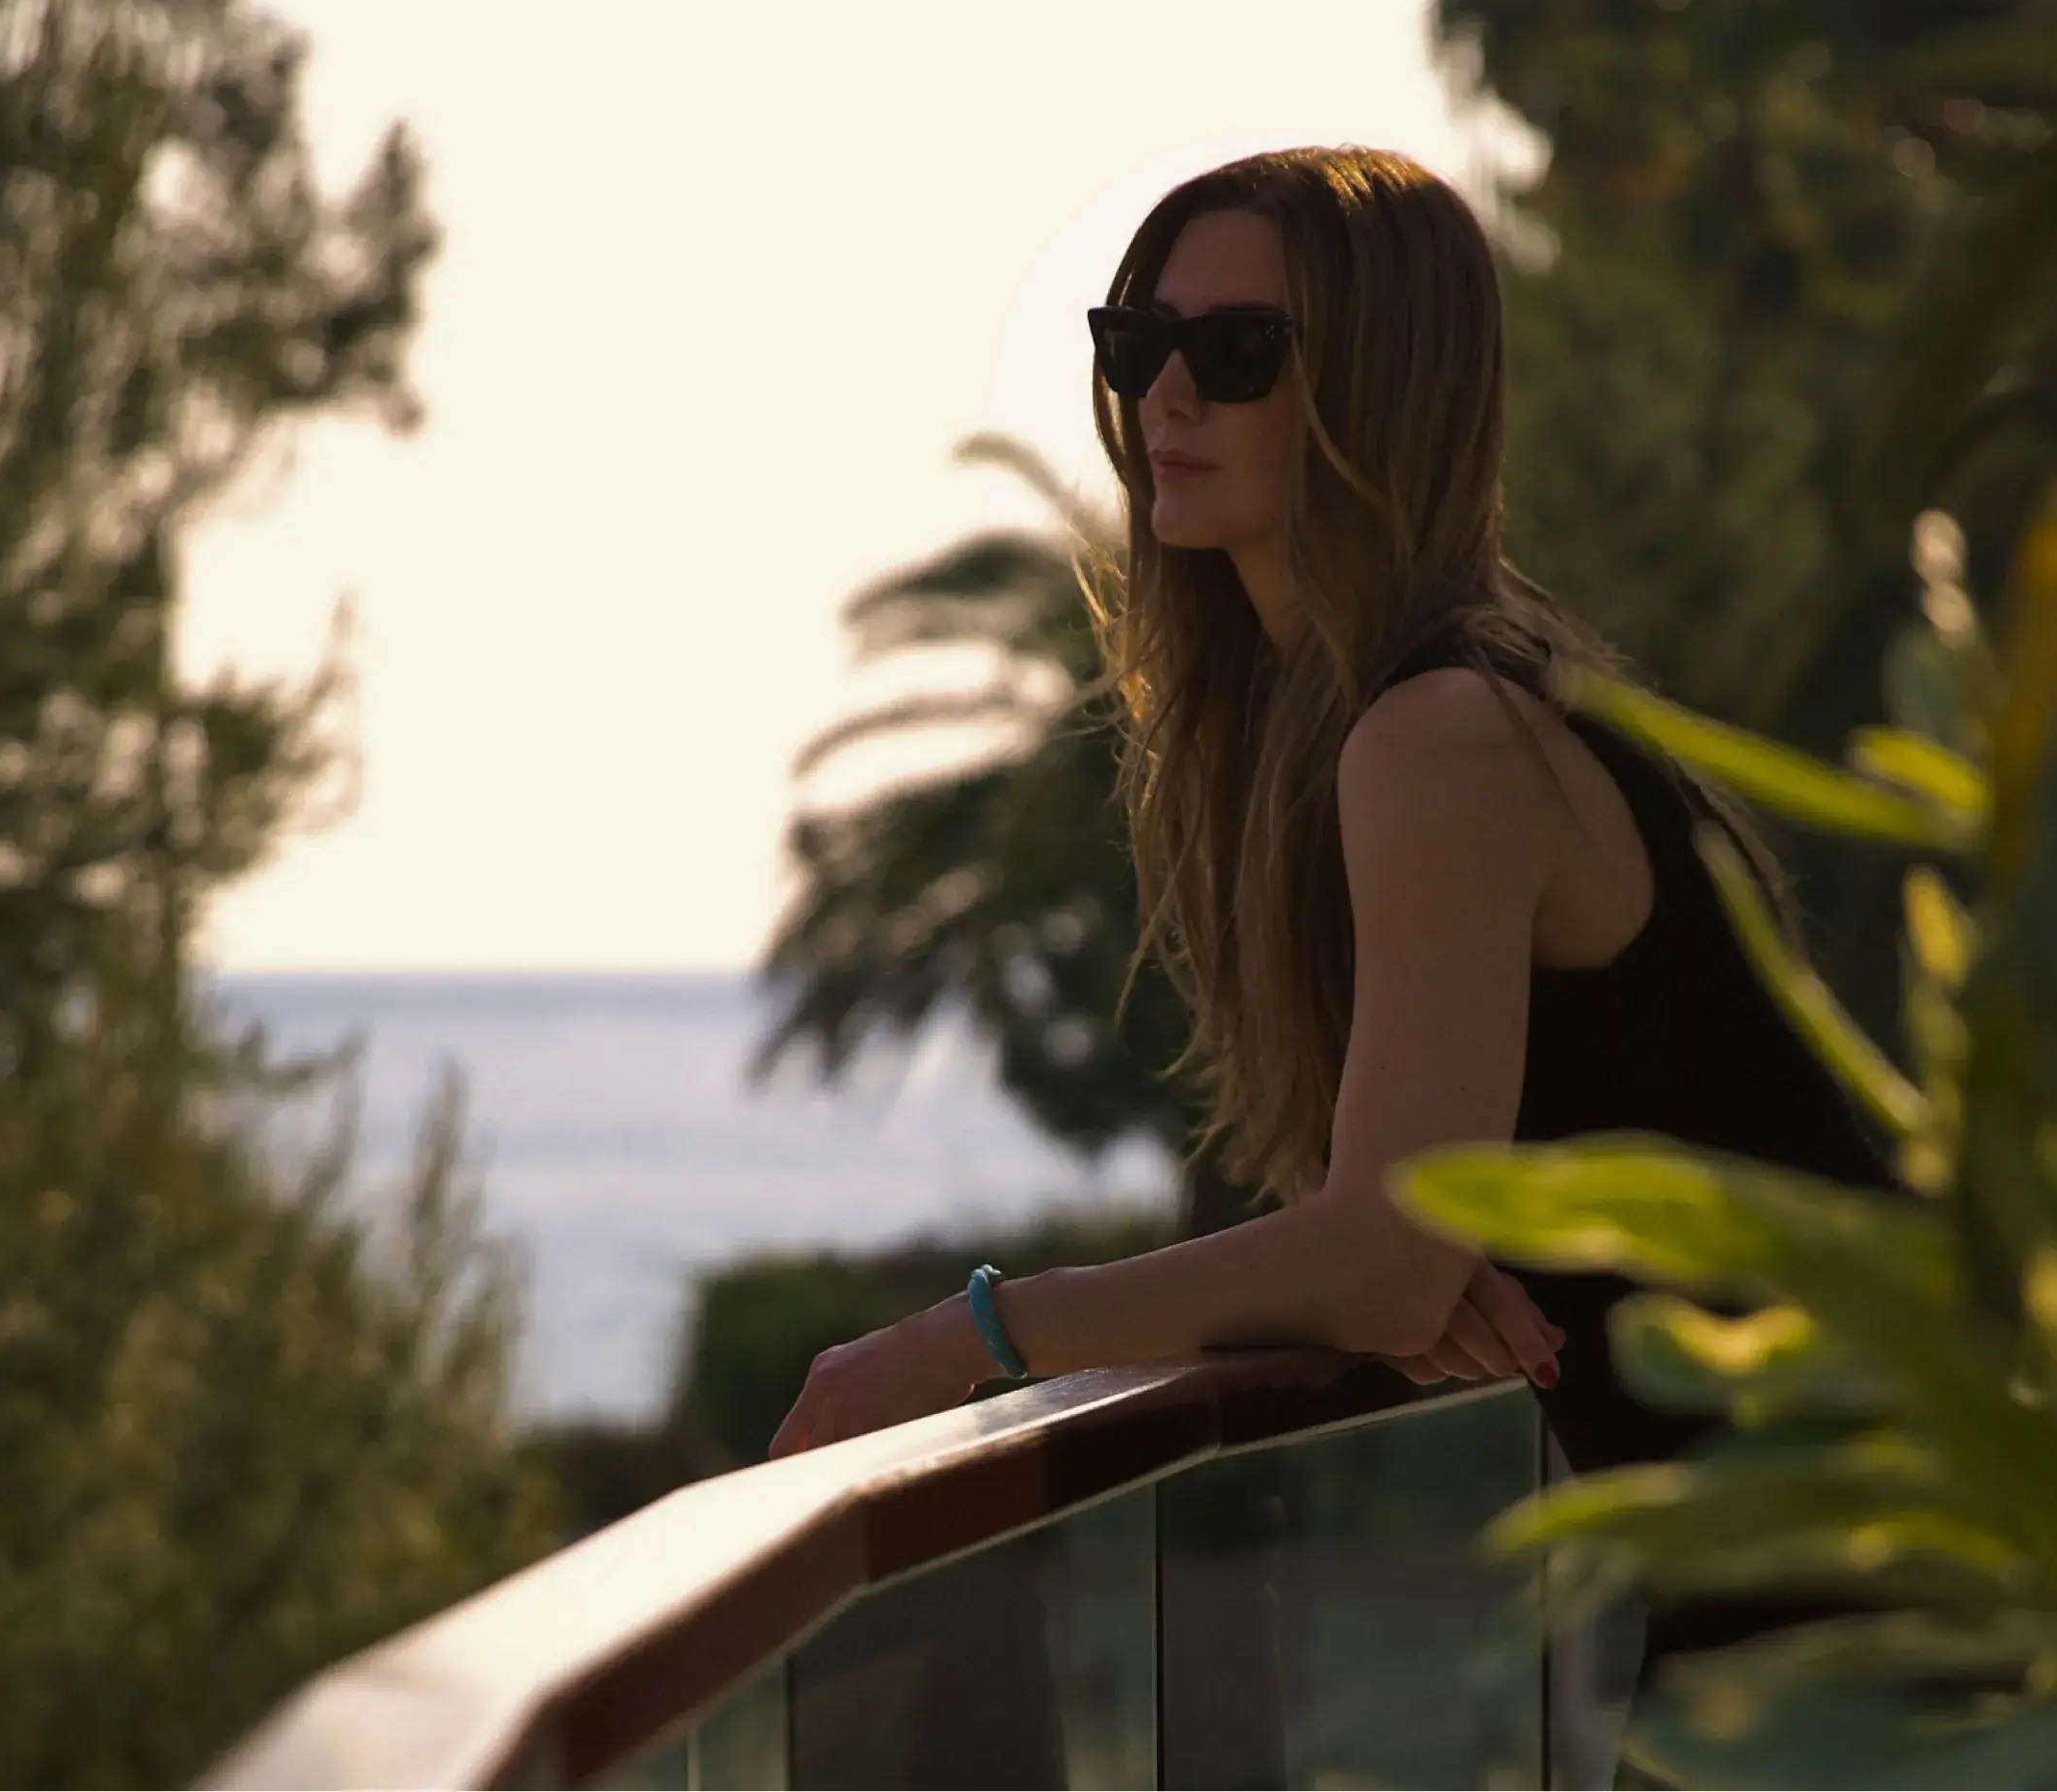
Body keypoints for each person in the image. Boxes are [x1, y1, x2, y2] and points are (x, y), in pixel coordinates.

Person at [766, 145, 1898, 1565]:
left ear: (1384, 388)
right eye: (1140, 344)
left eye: (1239, 353)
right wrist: (1406, 1256)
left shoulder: (1444, 735)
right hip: (1812, 1549)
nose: (1166, 395)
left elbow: (1376, 1264)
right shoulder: (1390, 724)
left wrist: (976, 1335)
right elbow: (1390, 1253)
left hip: (1878, 1566)